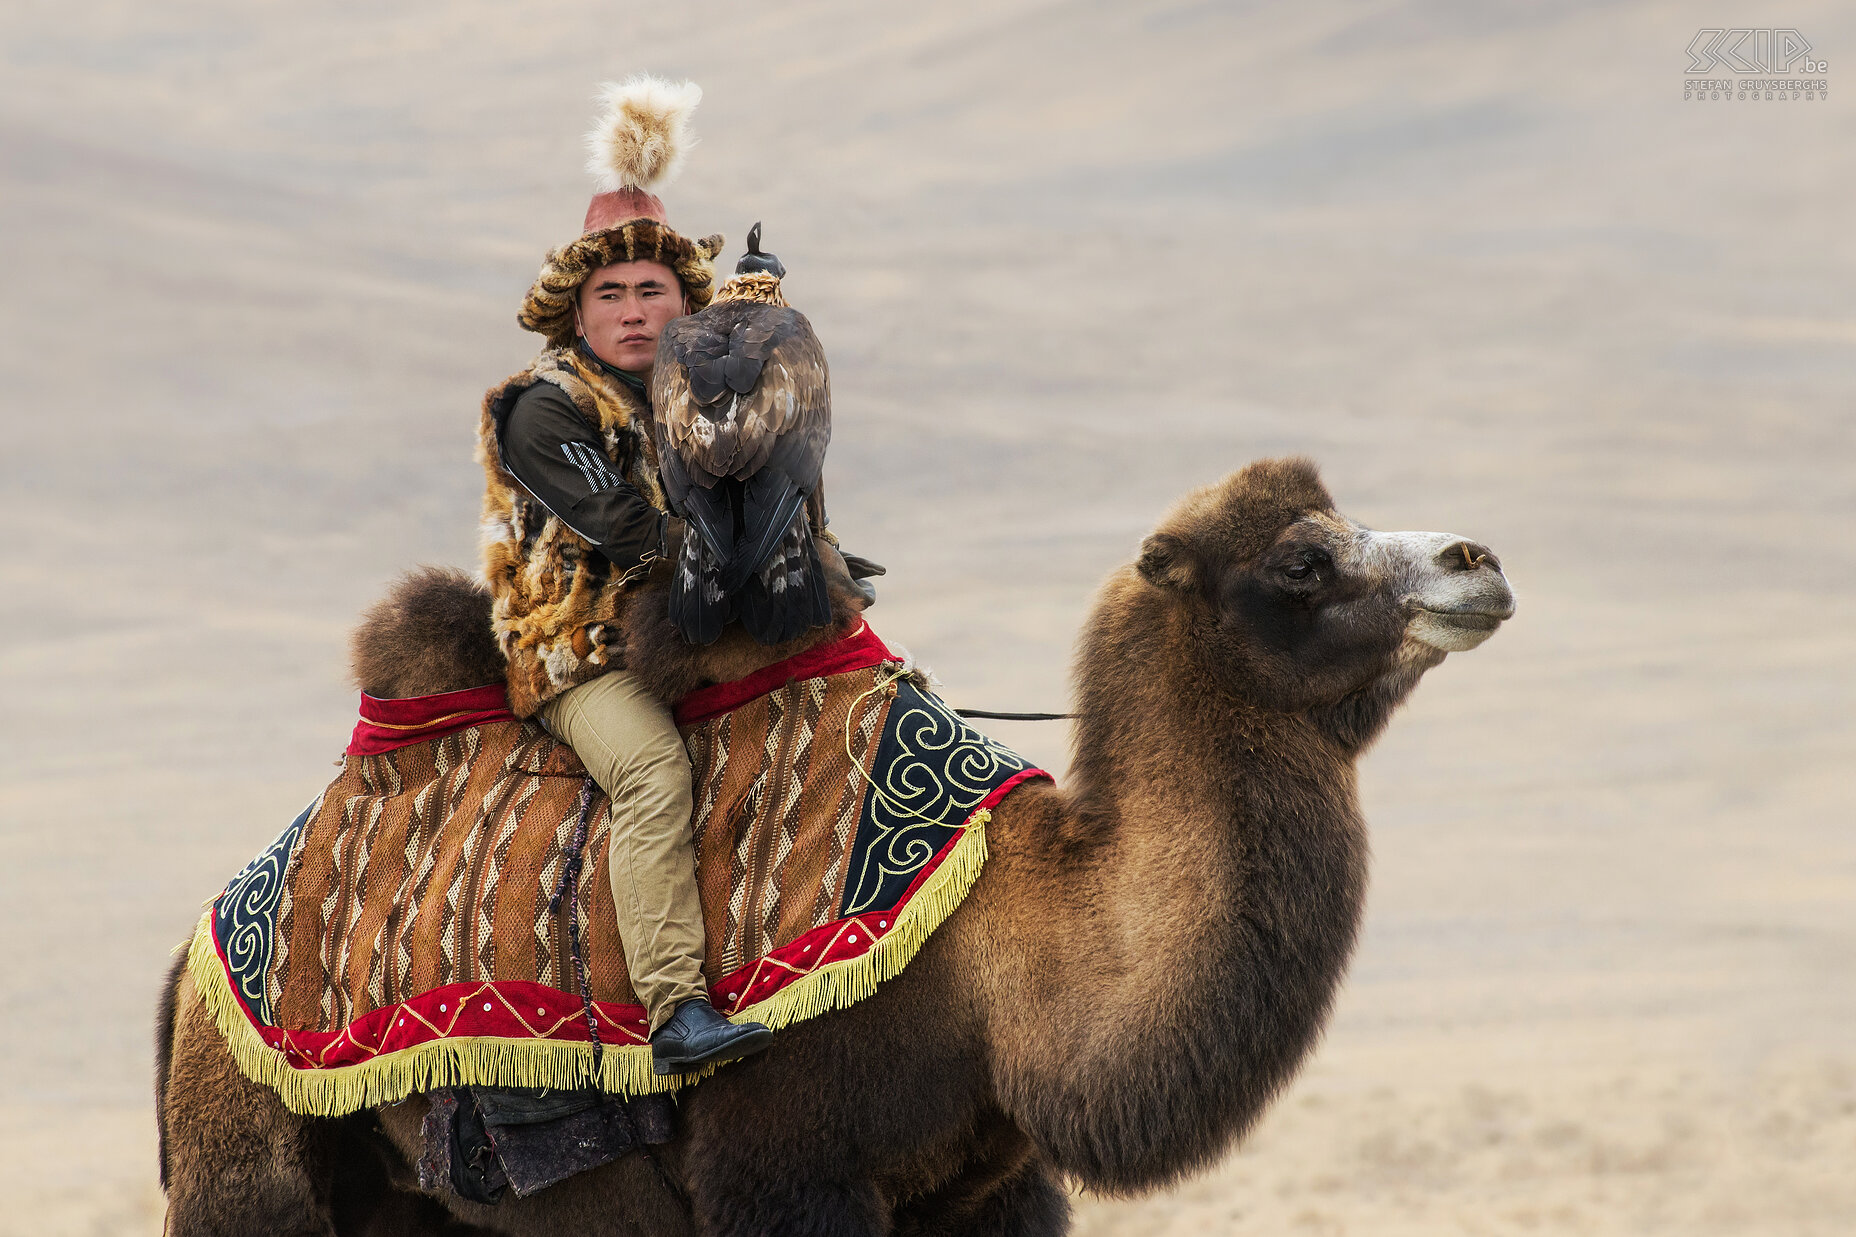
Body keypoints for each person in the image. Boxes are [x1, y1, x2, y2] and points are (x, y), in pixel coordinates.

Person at [475, 80, 771, 1075]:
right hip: (583, 651)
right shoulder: (538, 410)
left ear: (684, 301)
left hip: (688, 629)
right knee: (652, 773)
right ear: (577, 310)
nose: (635, 311)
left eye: (653, 291)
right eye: (612, 293)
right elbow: (634, 534)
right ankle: (675, 1006)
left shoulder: (699, 396)